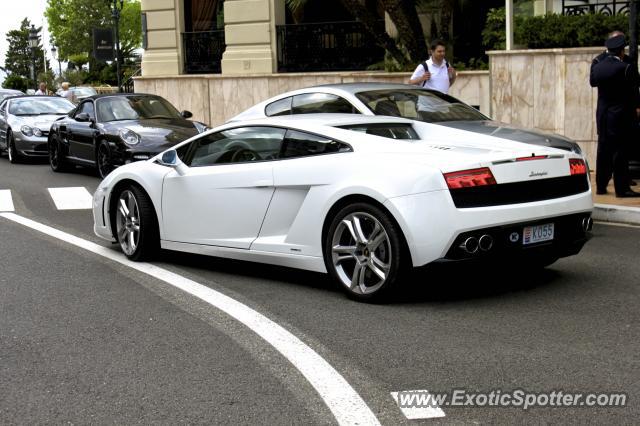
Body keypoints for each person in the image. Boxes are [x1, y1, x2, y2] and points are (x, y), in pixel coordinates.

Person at [590, 34, 640, 198]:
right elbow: (634, 89)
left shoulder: (598, 66)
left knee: (603, 150)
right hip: (620, 116)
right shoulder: (626, 67)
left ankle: (601, 186)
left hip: (603, 115)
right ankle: (622, 188)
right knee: (620, 153)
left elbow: (593, 83)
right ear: (621, 51)